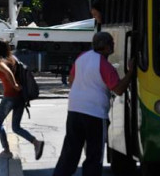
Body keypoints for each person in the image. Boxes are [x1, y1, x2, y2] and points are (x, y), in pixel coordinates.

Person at [52, 32, 135, 176]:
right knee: (93, 156)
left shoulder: (81, 57)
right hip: (95, 114)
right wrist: (131, 72)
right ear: (108, 47)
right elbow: (119, 89)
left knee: (70, 153)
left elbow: (71, 81)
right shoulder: (105, 65)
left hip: (74, 110)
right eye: (112, 44)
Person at [0, 40, 45, 160]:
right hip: (20, 97)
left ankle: (6, 151)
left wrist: (14, 84)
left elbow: (8, 72)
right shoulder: (13, 59)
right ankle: (36, 143)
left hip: (10, 96)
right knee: (16, 127)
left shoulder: (0, 62)